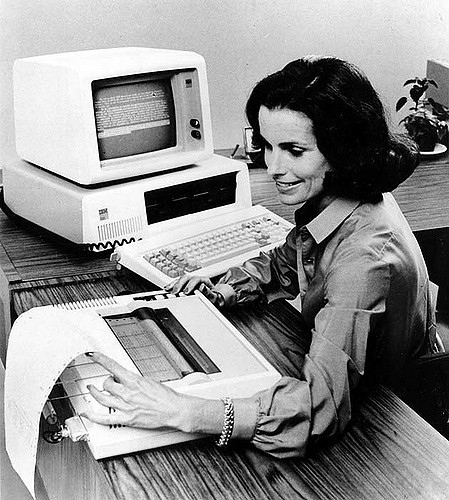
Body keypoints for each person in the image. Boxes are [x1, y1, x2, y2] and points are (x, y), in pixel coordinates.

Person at [83, 56, 441, 458]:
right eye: (267, 146)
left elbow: (317, 410)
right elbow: (286, 262)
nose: (273, 166)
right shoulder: (337, 197)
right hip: (366, 380)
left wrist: (186, 411)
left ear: (342, 149)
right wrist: (222, 289)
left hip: (397, 414)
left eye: (293, 150)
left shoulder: (363, 260)